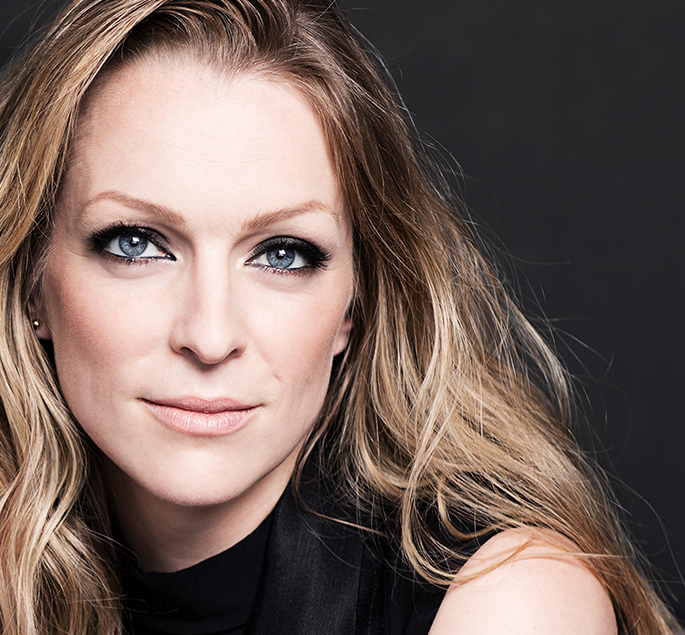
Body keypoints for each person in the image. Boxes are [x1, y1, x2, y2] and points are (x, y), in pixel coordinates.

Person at [0, 0, 678, 633]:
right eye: (135, 244)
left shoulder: (508, 599)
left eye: (283, 254)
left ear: (353, 304)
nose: (209, 336)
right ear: (33, 283)